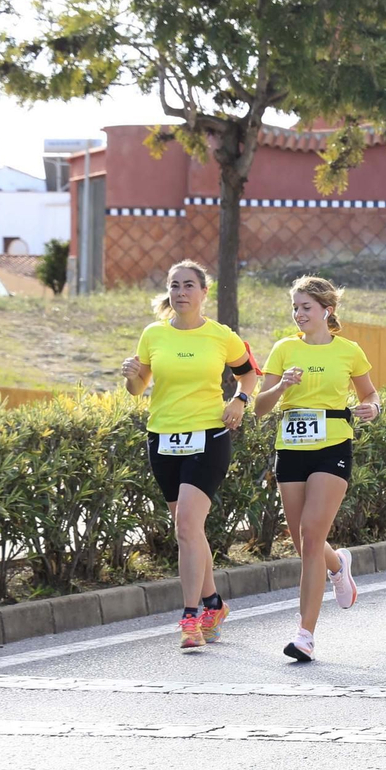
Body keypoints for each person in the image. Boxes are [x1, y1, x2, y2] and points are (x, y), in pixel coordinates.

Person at [120, 260, 258, 649]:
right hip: (163, 438)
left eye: (188, 285)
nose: (180, 292)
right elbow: (138, 388)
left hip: (209, 436)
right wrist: (131, 375)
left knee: (185, 526)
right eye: (174, 285)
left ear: (204, 292)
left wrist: (240, 400)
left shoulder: (221, 335)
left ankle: (190, 618)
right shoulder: (153, 334)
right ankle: (214, 604)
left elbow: (249, 373)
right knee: (189, 531)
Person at [253, 276, 378, 662]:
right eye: (295, 307)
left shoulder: (349, 351)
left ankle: (304, 634)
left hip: (332, 447)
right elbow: (259, 407)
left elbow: (370, 393)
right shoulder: (284, 348)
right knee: (303, 540)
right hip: (290, 449)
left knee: (310, 536)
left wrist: (373, 407)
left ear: (327, 310)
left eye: (306, 307)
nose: (299, 314)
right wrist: (281, 387)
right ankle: (338, 565)